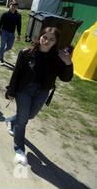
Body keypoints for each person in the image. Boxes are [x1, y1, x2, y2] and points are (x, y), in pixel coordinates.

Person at [4, 27, 73, 165]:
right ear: (40, 36)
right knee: (23, 119)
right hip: (24, 90)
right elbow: (16, 73)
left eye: (51, 39)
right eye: (45, 37)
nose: (47, 41)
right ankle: (19, 150)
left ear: (56, 42)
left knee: (30, 115)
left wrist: (68, 63)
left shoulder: (58, 58)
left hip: (42, 92)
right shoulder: (26, 53)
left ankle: (10, 120)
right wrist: (11, 91)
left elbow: (66, 78)